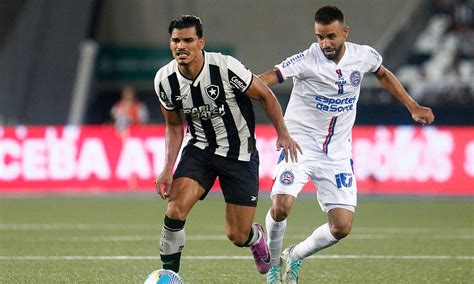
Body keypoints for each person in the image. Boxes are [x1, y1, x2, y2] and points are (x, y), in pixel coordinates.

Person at [258, 6, 435, 283]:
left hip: (337, 153)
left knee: (341, 227)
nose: (325, 44)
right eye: (320, 37)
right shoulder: (305, 60)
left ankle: (295, 255)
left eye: (331, 36)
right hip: (299, 146)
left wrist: (412, 106)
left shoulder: (362, 55)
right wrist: (243, 87)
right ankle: (272, 266)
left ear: (344, 32)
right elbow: (267, 79)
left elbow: (383, 74)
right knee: (281, 206)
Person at [153, 15, 301, 280]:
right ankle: (169, 277)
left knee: (237, 234)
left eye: (188, 40)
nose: (181, 46)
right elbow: (174, 126)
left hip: (239, 155)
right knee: (175, 210)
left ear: (201, 43)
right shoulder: (164, 80)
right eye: (176, 40)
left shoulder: (225, 67)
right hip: (200, 150)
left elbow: (266, 96)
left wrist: (283, 133)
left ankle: (254, 237)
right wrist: (167, 169)